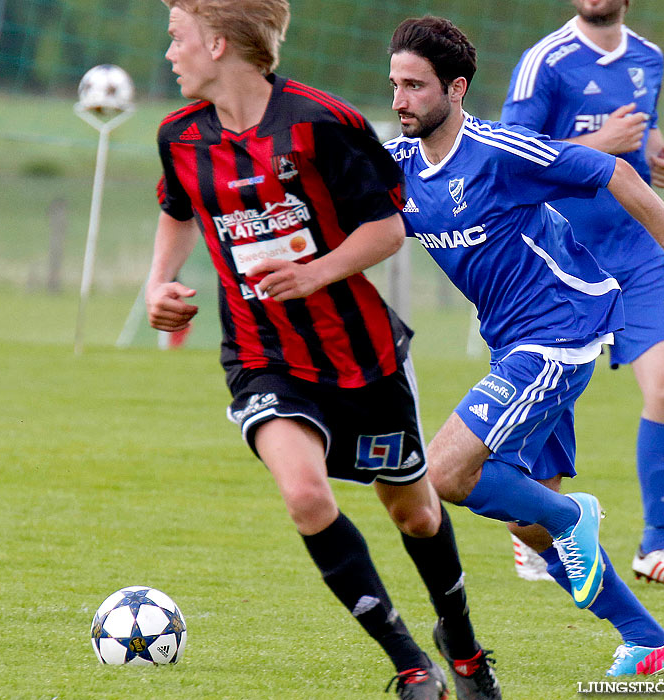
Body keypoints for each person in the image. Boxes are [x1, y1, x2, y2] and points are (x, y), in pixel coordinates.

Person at [147, 2, 500, 698]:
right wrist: (160, 284)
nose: (170, 53)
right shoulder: (180, 136)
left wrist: (313, 272)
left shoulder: (319, 123)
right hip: (261, 356)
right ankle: (408, 667)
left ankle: (460, 645)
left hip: (361, 357)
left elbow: (387, 230)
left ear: (218, 44)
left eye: (177, 37)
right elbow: (178, 209)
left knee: (417, 514)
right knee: (305, 494)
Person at [385, 16, 664, 676]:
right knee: (524, 521)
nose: (399, 99)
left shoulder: (500, 151)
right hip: (511, 342)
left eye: (415, 86)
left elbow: (615, 175)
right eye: (394, 84)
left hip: (560, 331)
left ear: (454, 89)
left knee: (446, 474)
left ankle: (576, 512)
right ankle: (646, 638)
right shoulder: (396, 165)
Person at [501, 0, 664, 591]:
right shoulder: (544, 60)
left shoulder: (649, 56)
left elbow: (640, 127)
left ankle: (658, 547)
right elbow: (510, 152)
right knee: (551, 398)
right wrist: (601, 139)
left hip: (636, 246)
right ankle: (537, 532)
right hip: (560, 253)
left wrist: (656, 152)